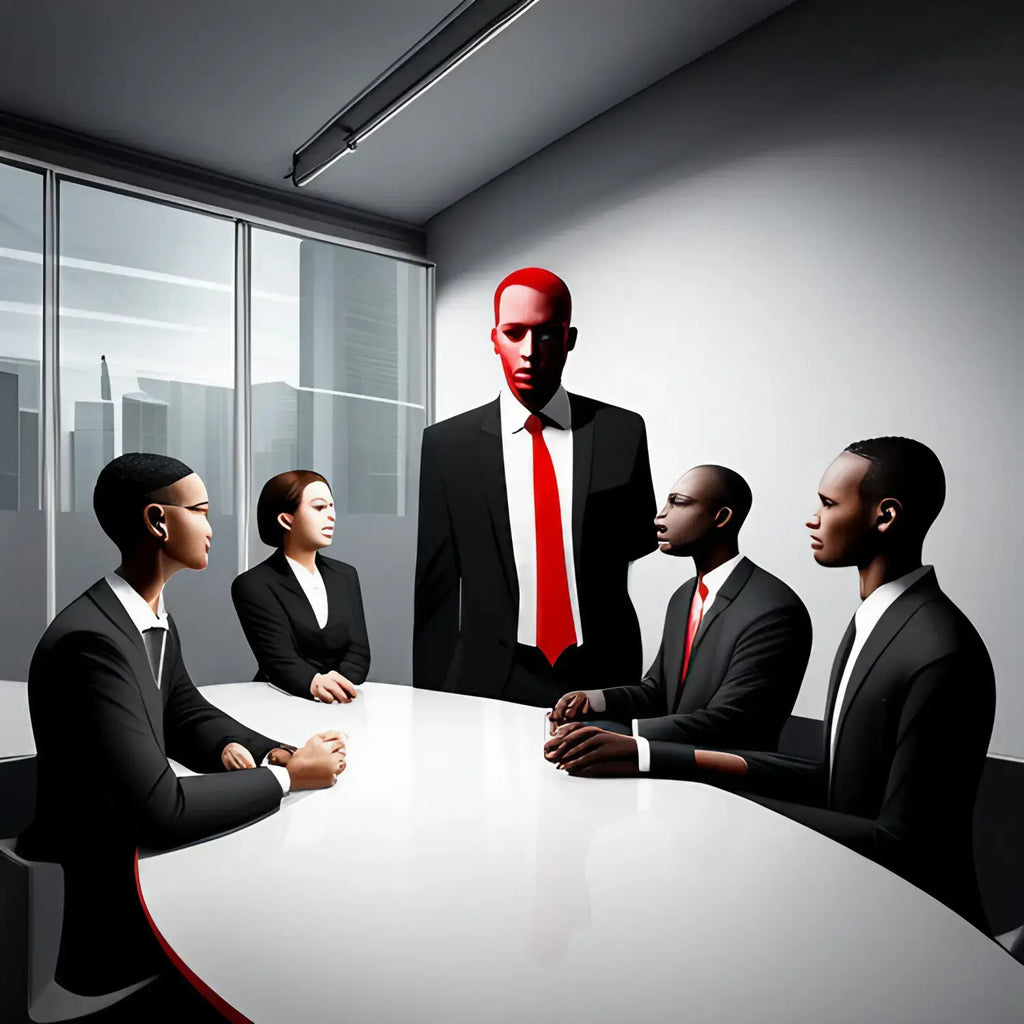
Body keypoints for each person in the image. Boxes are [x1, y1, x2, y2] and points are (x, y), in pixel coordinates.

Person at [547, 438, 995, 931]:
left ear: (884, 516)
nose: (812, 519)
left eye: (828, 504)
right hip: (858, 896)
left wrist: (747, 816)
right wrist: (649, 755)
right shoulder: (877, 621)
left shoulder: (937, 648)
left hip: (927, 932)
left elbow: (904, 845)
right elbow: (835, 780)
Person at [17, 454, 347, 1001]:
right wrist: (291, 780)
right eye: (201, 511)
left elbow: (185, 713)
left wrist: (276, 754)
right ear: (158, 522)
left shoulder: (145, 617)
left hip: (138, 869)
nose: (213, 529)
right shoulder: (92, 641)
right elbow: (159, 810)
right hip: (104, 916)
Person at [414, 267, 657, 706]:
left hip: (603, 670)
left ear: (570, 338)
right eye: (514, 332)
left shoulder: (622, 431)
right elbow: (437, 587)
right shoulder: (448, 445)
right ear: (494, 339)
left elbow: (640, 539)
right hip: (489, 675)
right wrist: (428, 702)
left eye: (546, 334)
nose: (529, 351)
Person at [546, 465, 811, 769]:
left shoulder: (773, 608)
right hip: (668, 773)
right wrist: (593, 700)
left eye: (678, 503)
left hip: (727, 789)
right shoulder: (684, 596)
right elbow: (659, 691)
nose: (660, 516)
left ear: (721, 517)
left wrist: (620, 734)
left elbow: (733, 722)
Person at [232, 470, 370, 703]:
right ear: (286, 519)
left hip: (345, 703)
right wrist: (315, 683)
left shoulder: (345, 575)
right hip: (282, 702)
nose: (332, 516)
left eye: (331, 506)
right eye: (319, 508)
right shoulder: (253, 584)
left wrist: (339, 686)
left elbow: (359, 652)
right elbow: (278, 660)